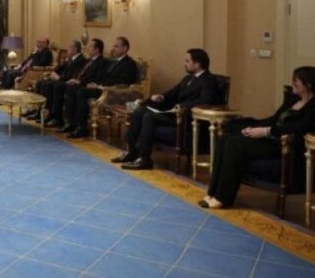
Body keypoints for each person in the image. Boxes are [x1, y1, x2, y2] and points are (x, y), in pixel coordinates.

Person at [199, 66, 315, 209]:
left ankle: (223, 198)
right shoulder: (292, 100)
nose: (292, 84)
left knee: (235, 145)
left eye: (296, 81)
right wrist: (253, 127)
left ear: (308, 85)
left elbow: (296, 128)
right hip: (270, 137)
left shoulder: (313, 107)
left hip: (285, 146)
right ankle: (212, 193)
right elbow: (274, 119)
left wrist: (265, 131)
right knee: (226, 138)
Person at [116, 48, 218, 170]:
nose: (184, 63)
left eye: (187, 61)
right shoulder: (188, 79)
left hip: (185, 119)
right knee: (139, 112)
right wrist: (161, 97)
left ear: (197, 64)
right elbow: (173, 92)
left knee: (149, 117)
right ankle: (132, 152)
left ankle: (144, 159)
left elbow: (205, 101)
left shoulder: (208, 80)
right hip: (173, 114)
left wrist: (183, 106)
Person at [62, 36, 138, 138]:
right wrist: (95, 84)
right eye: (113, 46)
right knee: (72, 89)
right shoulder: (112, 61)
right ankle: (72, 123)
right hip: (101, 87)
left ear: (125, 48)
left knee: (82, 92)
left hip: (112, 92)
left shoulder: (129, 64)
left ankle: (82, 128)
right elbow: (102, 77)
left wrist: (100, 86)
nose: (113, 48)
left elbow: (123, 82)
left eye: (116, 46)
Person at [45, 38, 109, 129]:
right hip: (79, 82)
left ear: (97, 49)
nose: (87, 49)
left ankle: (75, 124)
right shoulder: (89, 60)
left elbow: (96, 78)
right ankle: (61, 119)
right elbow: (79, 73)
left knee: (71, 89)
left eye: (90, 47)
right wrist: (74, 79)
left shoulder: (102, 62)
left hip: (90, 86)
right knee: (59, 86)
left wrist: (79, 81)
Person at [24, 40, 87, 120]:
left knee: (53, 85)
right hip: (61, 79)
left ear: (75, 49)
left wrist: (59, 78)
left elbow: (74, 76)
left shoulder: (81, 60)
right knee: (40, 83)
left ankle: (53, 115)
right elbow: (60, 69)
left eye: (69, 47)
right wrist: (53, 73)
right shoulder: (70, 59)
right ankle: (38, 110)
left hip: (68, 81)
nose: (67, 49)